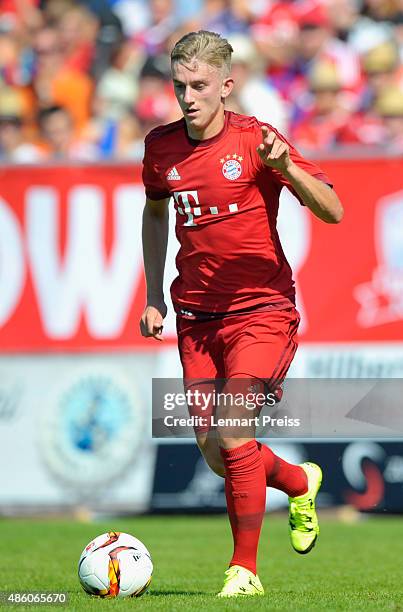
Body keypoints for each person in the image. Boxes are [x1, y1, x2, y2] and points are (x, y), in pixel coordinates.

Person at [140, 30, 343, 598]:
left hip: (262, 311)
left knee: (233, 431)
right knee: (216, 452)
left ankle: (245, 571)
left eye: (199, 85)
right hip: (196, 318)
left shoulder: (258, 140)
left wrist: (290, 171)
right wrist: (154, 294)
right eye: (179, 85)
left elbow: (334, 209)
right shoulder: (160, 148)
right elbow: (155, 215)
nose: (187, 97)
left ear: (227, 86)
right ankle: (299, 481)